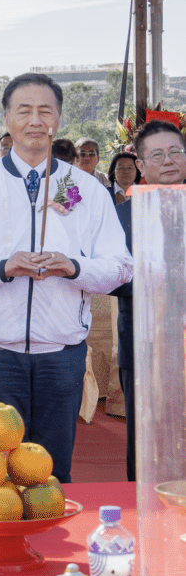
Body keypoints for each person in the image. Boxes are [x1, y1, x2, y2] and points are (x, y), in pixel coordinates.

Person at [0, 73, 132, 483]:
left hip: (63, 350)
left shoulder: (87, 189)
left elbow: (121, 266)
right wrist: (1, 268)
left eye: (45, 110)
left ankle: (54, 544)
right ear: (6, 119)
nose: (35, 120)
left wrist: (75, 267)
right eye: (24, 111)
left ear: (58, 119)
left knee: (52, 473)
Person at [115, 119, 185, 480]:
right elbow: (111, 276)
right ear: (140, 166)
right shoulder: (123, 216)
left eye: (176, 151)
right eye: (157, 154)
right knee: (145, 438)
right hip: (144, 341)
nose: (169, 160)